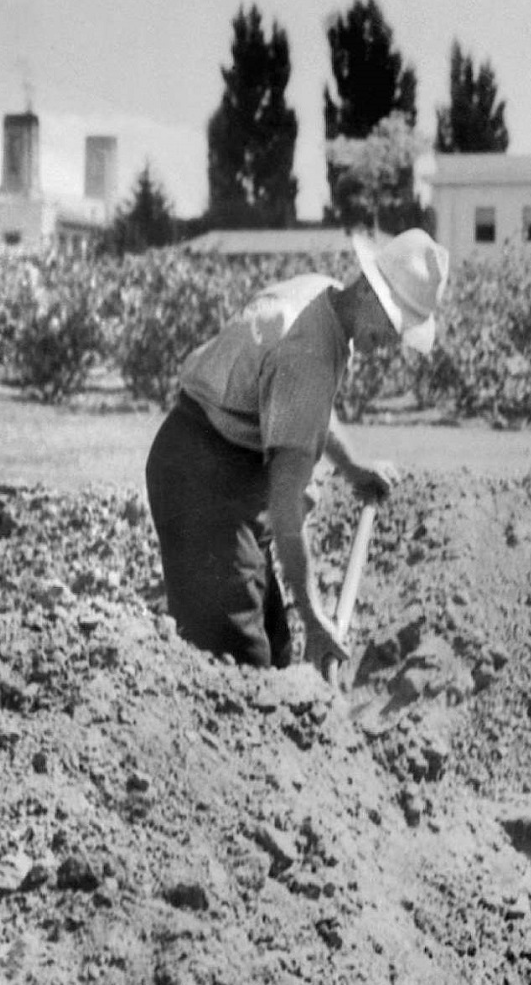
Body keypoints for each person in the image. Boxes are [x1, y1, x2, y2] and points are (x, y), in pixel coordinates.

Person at [144, 227, 448, 675]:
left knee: (274, 651)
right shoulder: (309, 352)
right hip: (199, 479)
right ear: (367, 288)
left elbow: (304, 405)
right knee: (238, 666)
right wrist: (315, 617)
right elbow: (286, 506)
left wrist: (351, 466)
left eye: (400, 331)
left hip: (226, 462)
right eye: (390, 322)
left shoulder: (322, 296)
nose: (389, 343)